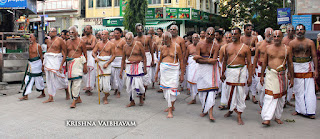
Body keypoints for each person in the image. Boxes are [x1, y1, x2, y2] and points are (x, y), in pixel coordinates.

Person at [260, 30, 294, 125]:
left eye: (278, 36)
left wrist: (292, 78)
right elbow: (264, 63)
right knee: (269, 96)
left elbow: (290, 64)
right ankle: (267, 118)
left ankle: (277, 116)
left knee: (281, 97)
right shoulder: (268, 48)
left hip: (282, 75)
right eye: (274, 36)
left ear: (282, 37)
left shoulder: (287, 48)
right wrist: (262, 75)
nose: (276, 38)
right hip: (271, 74)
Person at [221, 27, 252, 125]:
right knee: (229, 91)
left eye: (235, 34)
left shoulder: (245, 47)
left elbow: (250, 63)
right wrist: (222, 73)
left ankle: (239, 115)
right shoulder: (227, 47)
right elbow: (225, 61)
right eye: (232, 34)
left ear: (239, 35)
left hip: (241, 72)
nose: (233, 36)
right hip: (230, 71)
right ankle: (231, 109)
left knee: (240, 93)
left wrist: (250, 77)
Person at [155, 32, 184, 118]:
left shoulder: (176, 47)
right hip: (164, 72)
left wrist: (182, 74)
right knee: (165, 90)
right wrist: (157, 73)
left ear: (170, 39)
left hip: (173, 71)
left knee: (172, 90)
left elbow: (181, 60)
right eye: (163, 40)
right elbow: (160, 61)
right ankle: (171, 105)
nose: (164, 42)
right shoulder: (163, 47)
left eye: (165, 40)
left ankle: (170, 110)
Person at [291, 24, 318, 119]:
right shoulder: (292, 43)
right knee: (298, 90)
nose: (299, 31)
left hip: (307, 66)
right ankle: (299, 110)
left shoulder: (310, 42)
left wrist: (316, 70)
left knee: (309, 90)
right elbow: (289, 59)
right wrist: (290, 73)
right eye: (297, 29)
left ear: (304, 31)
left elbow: (314, 56)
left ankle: (310, 111)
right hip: (296, 66)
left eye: (301, 29)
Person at [193, 27, 220, 121]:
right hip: (201, 70)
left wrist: (202, 58)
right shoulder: (200, 44)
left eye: (212, 34)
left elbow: (214, 61)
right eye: (208, 34)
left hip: (212, 70)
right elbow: (197, 60)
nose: (209, 36)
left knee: (211, 91)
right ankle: (204, 109)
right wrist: (208, 60)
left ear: (214, 36)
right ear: (205, 34)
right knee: (202, 92)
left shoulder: (216, 46)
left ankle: (211, 113)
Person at [120, 32, 146, 107]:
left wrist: (145, 68)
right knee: (129, 85)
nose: (128, 40)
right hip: (129, 67)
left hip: (138, 66)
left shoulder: (138, 44)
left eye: (129, 39)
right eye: (126, 39)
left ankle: (141, 98)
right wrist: (121, 71)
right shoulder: (125, 46)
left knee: (139, 84)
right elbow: (123, 59)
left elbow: (144, 56)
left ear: (133, 38)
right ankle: (132, 101)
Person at [43, 28, 69, 103]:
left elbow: (65, 53)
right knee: (49, 79)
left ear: (55, 32)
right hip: (48, 61)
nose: (50, 33)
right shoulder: (47, 40)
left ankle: (66, 90)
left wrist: (61, 65)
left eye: (52, 31)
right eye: (49, 31)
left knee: (60, 77)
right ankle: (50, 97)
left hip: (56, 61)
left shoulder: (60, 40)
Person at [66, 26, 88, 108]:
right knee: (70, 82)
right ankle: (77, 98)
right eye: (70, 32)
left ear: (76, 33)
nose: (71, 34)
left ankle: (74, 100)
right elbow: (65, 53)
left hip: (78, 63)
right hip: (69, 63)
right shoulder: (67, 42)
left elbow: (85, 54)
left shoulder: (81, 41)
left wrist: (85, 65)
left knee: (77, 81)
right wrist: (63, 65)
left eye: (72, 32)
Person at [19, 34, 45, 100]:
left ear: (35, 38)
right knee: (28, 78)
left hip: (37, 63)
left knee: (38, 78)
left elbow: (41, 56)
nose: (29, 39)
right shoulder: (30, 46)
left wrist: (42, 65)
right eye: (29, 37)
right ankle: (26, 95)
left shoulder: (38, 46)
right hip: (31, 63)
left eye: (31, 37)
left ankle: (43, 93)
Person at [92, 30, 116, 104]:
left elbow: (114, 55)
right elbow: (93, 52)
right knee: (99, 83)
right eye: (102, 34)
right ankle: (106, 93)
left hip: (107, 63)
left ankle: (105, 97)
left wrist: (107, 63)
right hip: (99, 63)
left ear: (108, 35)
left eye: (105, 34)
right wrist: (95, 57)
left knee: (106, 82)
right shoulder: (98, 43)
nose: (103, 36)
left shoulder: (111, 44)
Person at [252, 28, 274, 107]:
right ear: (264, 34)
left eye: (271, 34)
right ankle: (262, 104)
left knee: (269, 87)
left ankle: (267, 105)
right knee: (260, 88)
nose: (269, 35)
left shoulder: (275, 44)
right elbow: (255, 57)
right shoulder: (259, 44)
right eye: (268, 34)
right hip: (260, 67)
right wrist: (254, 68)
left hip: (271, 68)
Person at [134, 23, 154, 100]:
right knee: (139, 76)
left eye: (141, 29)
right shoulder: (134, 39)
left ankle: (143, 93)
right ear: (136, 30)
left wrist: (152, 59)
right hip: (138, 57)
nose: (140, 30)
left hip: (147, 56)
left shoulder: (147, 38)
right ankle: (140, 92)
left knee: (145, 76)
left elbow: (151, 49)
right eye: (138, 29)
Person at [240, 24, 258, 102]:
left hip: (252, 58)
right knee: (244, 76)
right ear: (244, 30)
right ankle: (246, 94)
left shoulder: (254, 38)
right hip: (244, 58)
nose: (249, 31)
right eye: (248, 29)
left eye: (251, 29)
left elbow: (258, 47)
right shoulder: (241, 38)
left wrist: (254, 48)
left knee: (253, 76)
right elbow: (239, 47)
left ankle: (253, 95)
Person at [282, 24, 296, 107]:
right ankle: (283, 100)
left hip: (294, 62)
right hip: (286, 63)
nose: (291, 32)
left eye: (292, 30)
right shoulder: (283, 40)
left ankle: (288, 100)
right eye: (289, 30)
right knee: (285, 82)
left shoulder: (296, 40)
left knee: (292, 81)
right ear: (287, 31)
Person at [170, 25, 186, 91]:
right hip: (169, 61)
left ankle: (173, 90)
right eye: (171, 29)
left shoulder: (180, 39)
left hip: (177, 61)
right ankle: (169, 90)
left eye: (174, 29)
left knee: (175, 77)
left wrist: (182, 62)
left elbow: (184, 52)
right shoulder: (168, 38)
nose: (172, 31)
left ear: (177, 31)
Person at [218, 32, 232, 109]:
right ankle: (223, 103)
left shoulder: (236, 47)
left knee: (233, 86)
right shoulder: (223, 48)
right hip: (225, 68)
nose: (228, 39)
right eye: (226, 38)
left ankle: (232, 104)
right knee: (224, 86)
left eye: (229, 37)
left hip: (233, 68)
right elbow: (220, 60)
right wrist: (221, 71)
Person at [111, 28, 126, 98]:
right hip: (112, 60)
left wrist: (125, 62)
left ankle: (119, 91)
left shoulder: (123, 41)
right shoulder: (111, 41)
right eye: (115, 33)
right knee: (112, 77)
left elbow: (125, 52)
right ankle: (115, 88)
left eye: (117, 33)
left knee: (120, 77)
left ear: (120, 34)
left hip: (120, 59)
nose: (116, 34)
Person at [82, 25, 97, 96]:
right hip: (84, 54)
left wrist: (84, 47)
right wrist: (86, 47)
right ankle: (87, 85)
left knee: (91, 70)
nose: (86, 30)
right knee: (84, 71)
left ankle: (90, 88)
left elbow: (92, 46)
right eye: (85, 29)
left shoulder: (93, 38)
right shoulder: (82, 38)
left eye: (88, 29)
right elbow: (80, 46)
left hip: (91, 54)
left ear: (91, 30)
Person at [186, 33, 200, 104]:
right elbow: (186, 56)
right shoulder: (189, 46)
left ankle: (201, 97)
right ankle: (193, 98)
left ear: (198, 39)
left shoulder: (201, 46)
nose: (194, 39)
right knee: (191, 80)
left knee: (199, 80)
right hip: (191, 64)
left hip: (199, 64)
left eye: (196, 38)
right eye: (193, 38)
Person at [156, 28, 164, 93]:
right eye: (157, 31)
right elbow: (155, 46)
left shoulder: (164, 37)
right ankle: (160, 84)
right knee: (158, 69)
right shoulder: (156, 38)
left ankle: (162, 86)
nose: (158, 32)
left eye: (160, 31)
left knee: (162, 70)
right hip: (158, 53)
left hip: (163, 54)